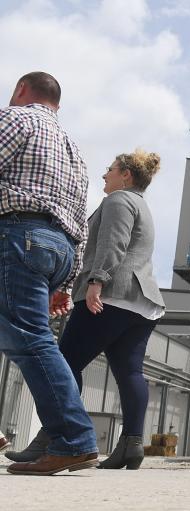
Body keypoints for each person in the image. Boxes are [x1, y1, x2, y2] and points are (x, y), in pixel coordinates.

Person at [33, 149, 164, 471]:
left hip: (111, 294)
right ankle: (131, 445)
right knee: (129, 371)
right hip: (142, 301)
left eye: (111, 169)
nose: (105, 174)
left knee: (64, 365)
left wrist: (96, 281)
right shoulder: (142, 206)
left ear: (126, 175)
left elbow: (113, 243)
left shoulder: (118, 200)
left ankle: (54, 438)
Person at [1, 72, 99, 476]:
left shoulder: (14, 119)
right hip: (56, 246)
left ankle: (74, 440)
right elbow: (81, 220)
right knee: (29, 339)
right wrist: (66, 278)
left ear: (22, 90)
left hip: (18, 234)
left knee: (31, 342)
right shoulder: (75, 149)